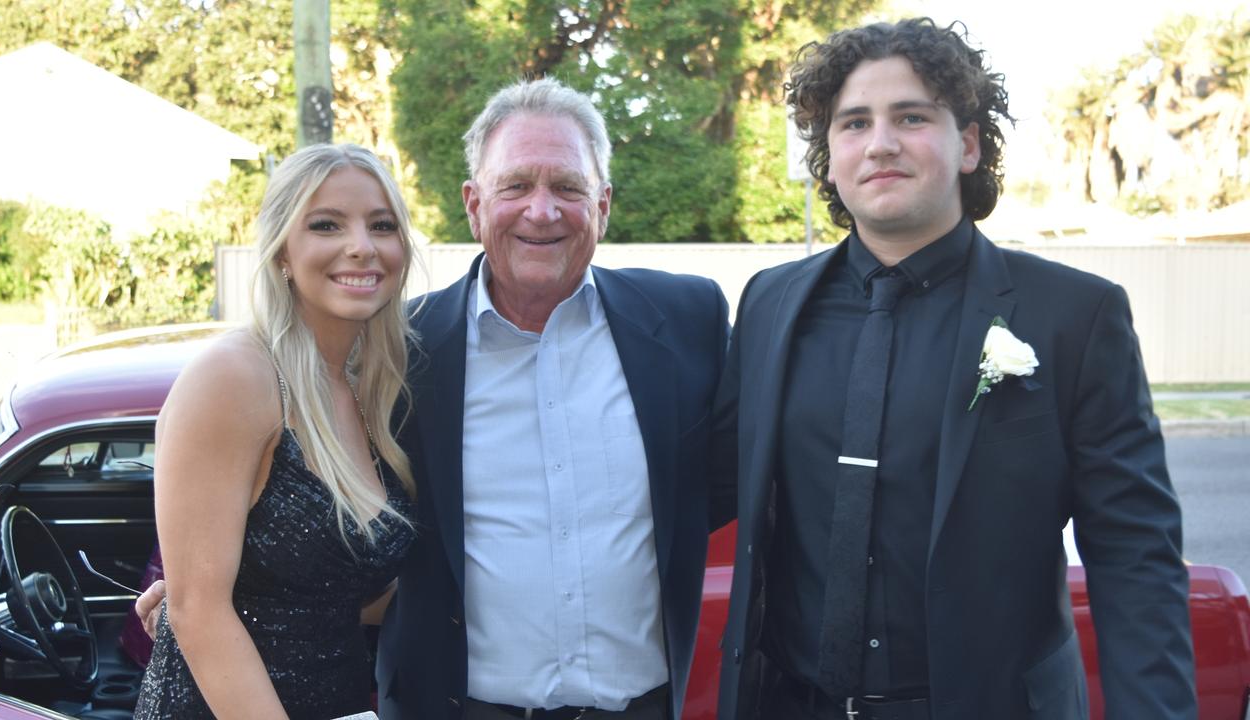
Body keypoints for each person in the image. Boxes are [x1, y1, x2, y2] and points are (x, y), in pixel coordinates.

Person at [710, 17, 1195, 720]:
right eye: (852, 123)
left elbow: (1135, 559)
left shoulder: (1073, 316)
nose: (880, 143)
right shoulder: (770, 304)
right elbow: (711, 483)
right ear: (829, 155)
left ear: (967, 144)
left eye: (910, 117)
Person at [376, 77, 729, 720]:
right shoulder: (401, 348)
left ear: (603, 204)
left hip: (645, 708)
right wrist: (219, 580)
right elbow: (328, 488)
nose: (543, 211)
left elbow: (757, 474)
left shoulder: (687, 321)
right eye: (516, 186)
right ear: (475, 204)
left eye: (568, 187)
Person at [134, 143, 419, 719]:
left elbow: (335, 592)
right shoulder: (234, 377)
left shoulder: (371, 386)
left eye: (381, 225)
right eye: (326, 224)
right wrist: (188, 596)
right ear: (283, 250)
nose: (361, 245)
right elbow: (200, 613)